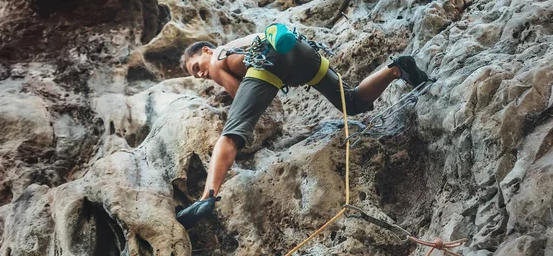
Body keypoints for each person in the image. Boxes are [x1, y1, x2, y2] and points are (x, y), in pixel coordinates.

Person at [176, 29, 429, 228]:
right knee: (351, 102)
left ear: (207, 51)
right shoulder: (235, 46)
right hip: (302, 51)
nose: (200, 75)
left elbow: (239, 97)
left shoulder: (218, 60)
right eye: (195, 76)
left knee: (231, 136)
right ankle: (396, 69)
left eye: (197, 67)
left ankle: (206, 198)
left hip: (272, 61)